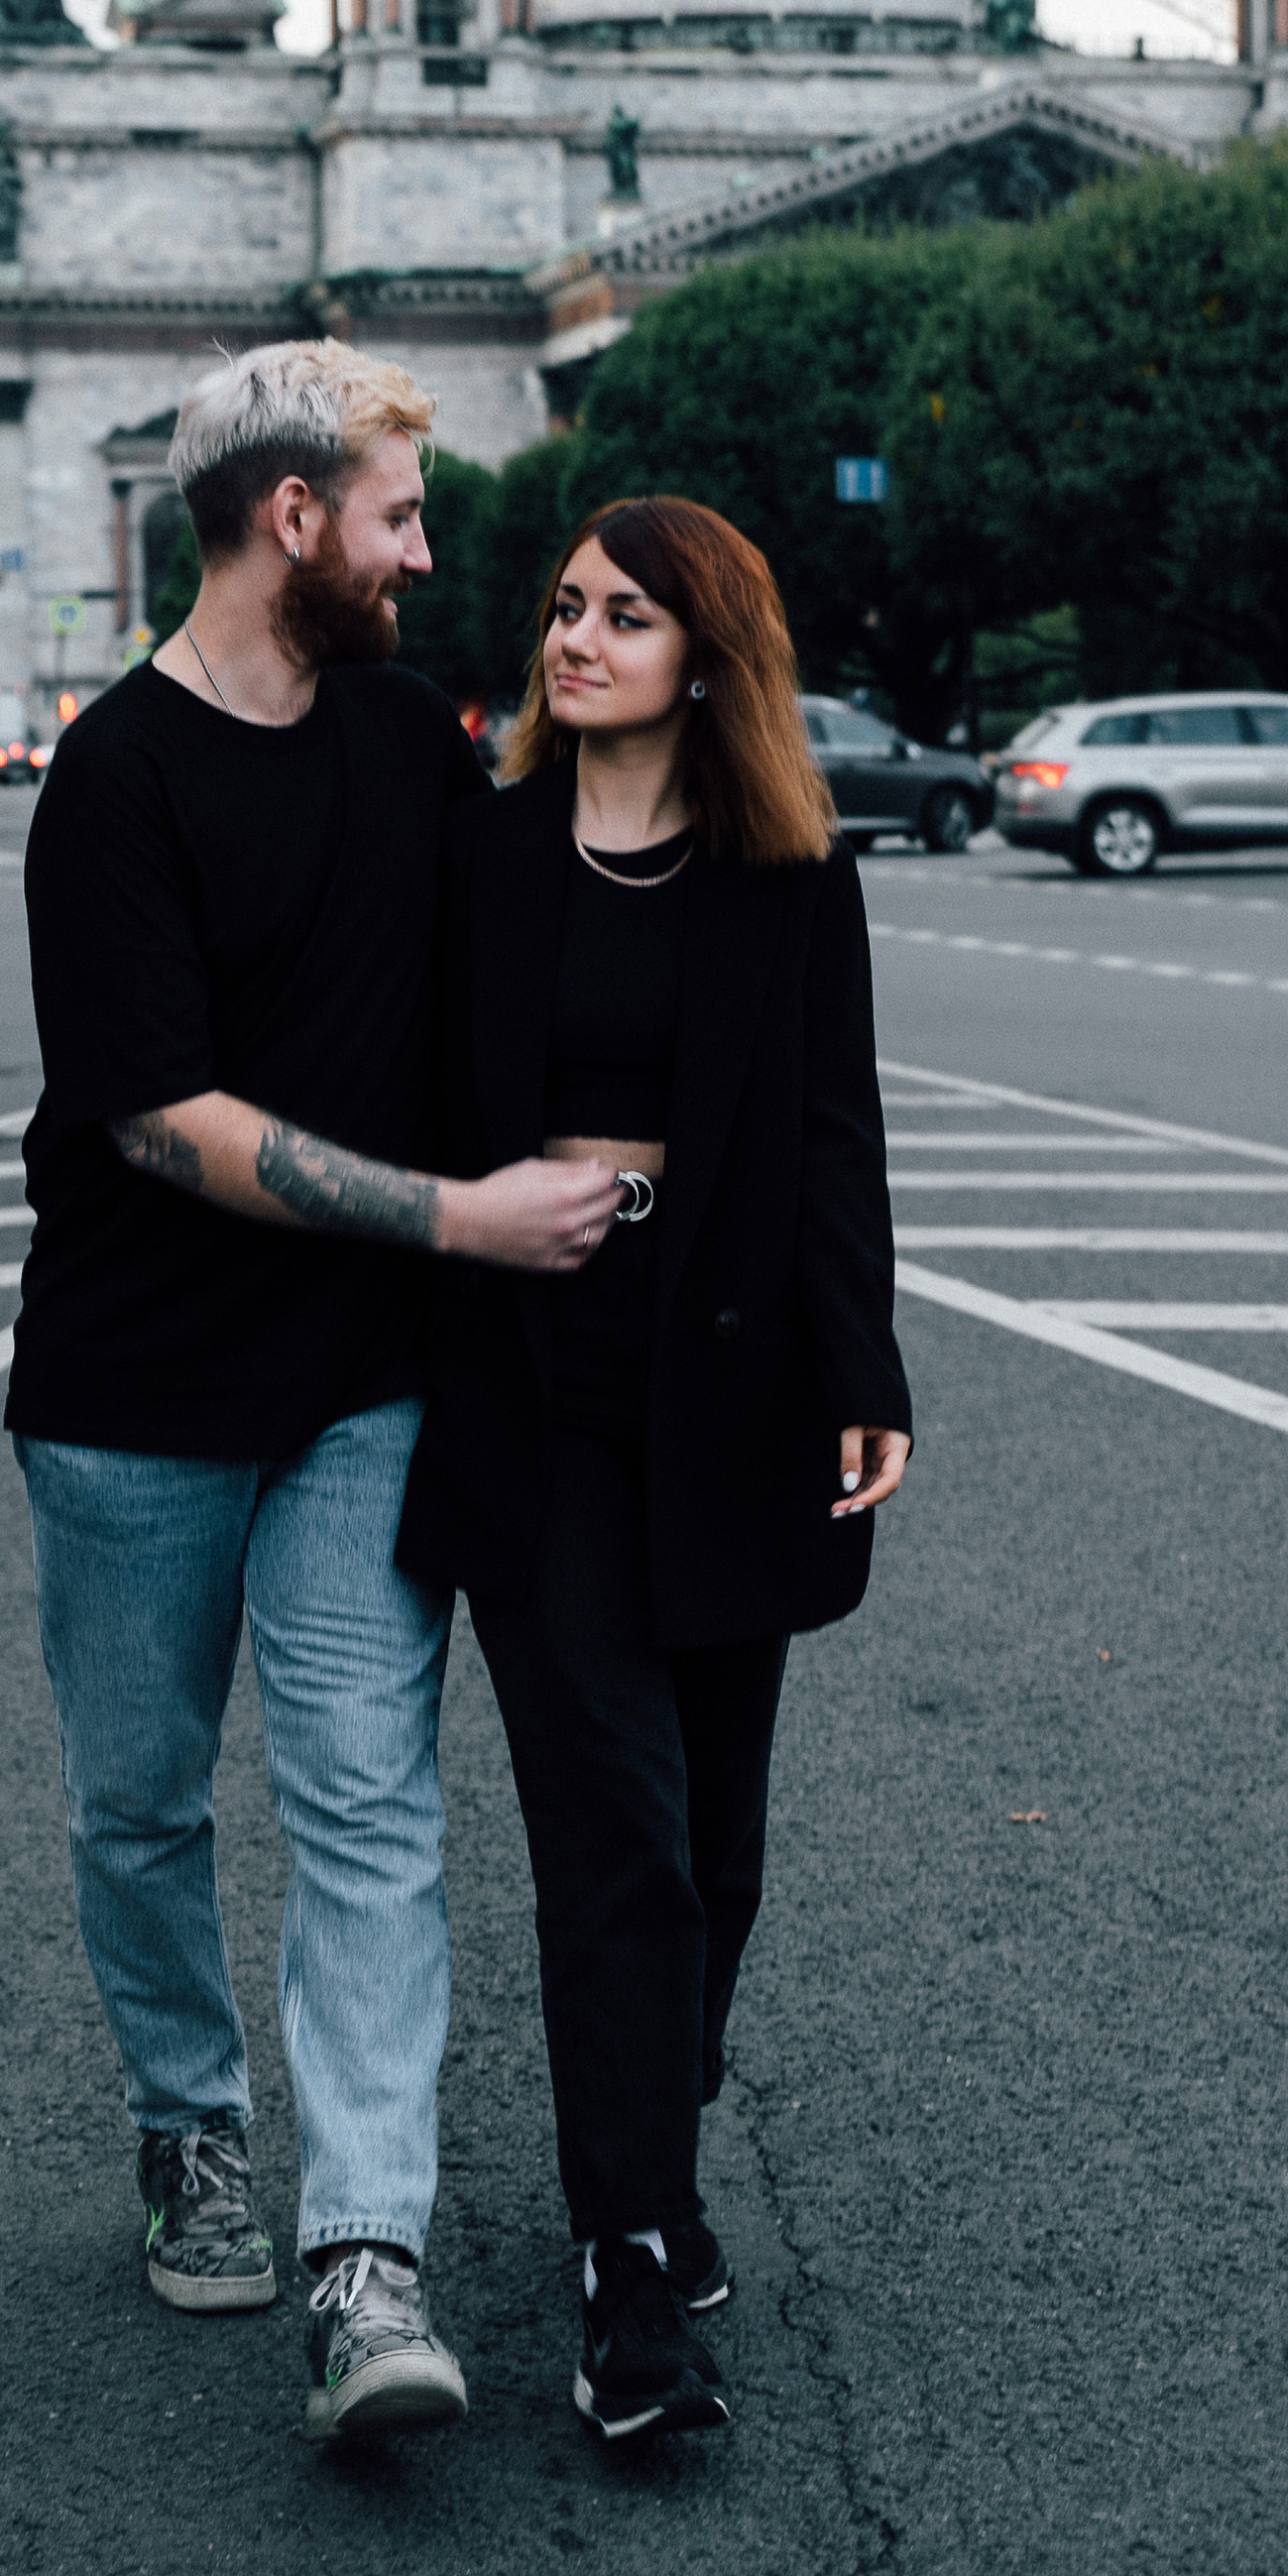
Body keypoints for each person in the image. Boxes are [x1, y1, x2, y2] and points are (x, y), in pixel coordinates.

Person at [7, 339, 620, 2447]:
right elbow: (160, 1119)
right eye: (395, 516)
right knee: (141, 1801)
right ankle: (190, 2124)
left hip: (362, 1387)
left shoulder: (402, 735)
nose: (424, 556)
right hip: (133, 1397)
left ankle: (367, 2258)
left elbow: (524, 935)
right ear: (292, 519)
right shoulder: (114, 781)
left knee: (368, 1802)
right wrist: (462, 1219)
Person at [399, 498, 912, 2448]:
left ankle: (655, 2135)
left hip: (734, 1397)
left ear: (707, 654)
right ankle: (628, 2254)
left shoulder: (788, 875)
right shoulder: (484, 856)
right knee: (614, 1823)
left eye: (624, 614)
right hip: (534, 1397)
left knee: (714, 1845)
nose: (577, 638)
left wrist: (864, 1368)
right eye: (565, 607)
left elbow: (831, 1136)